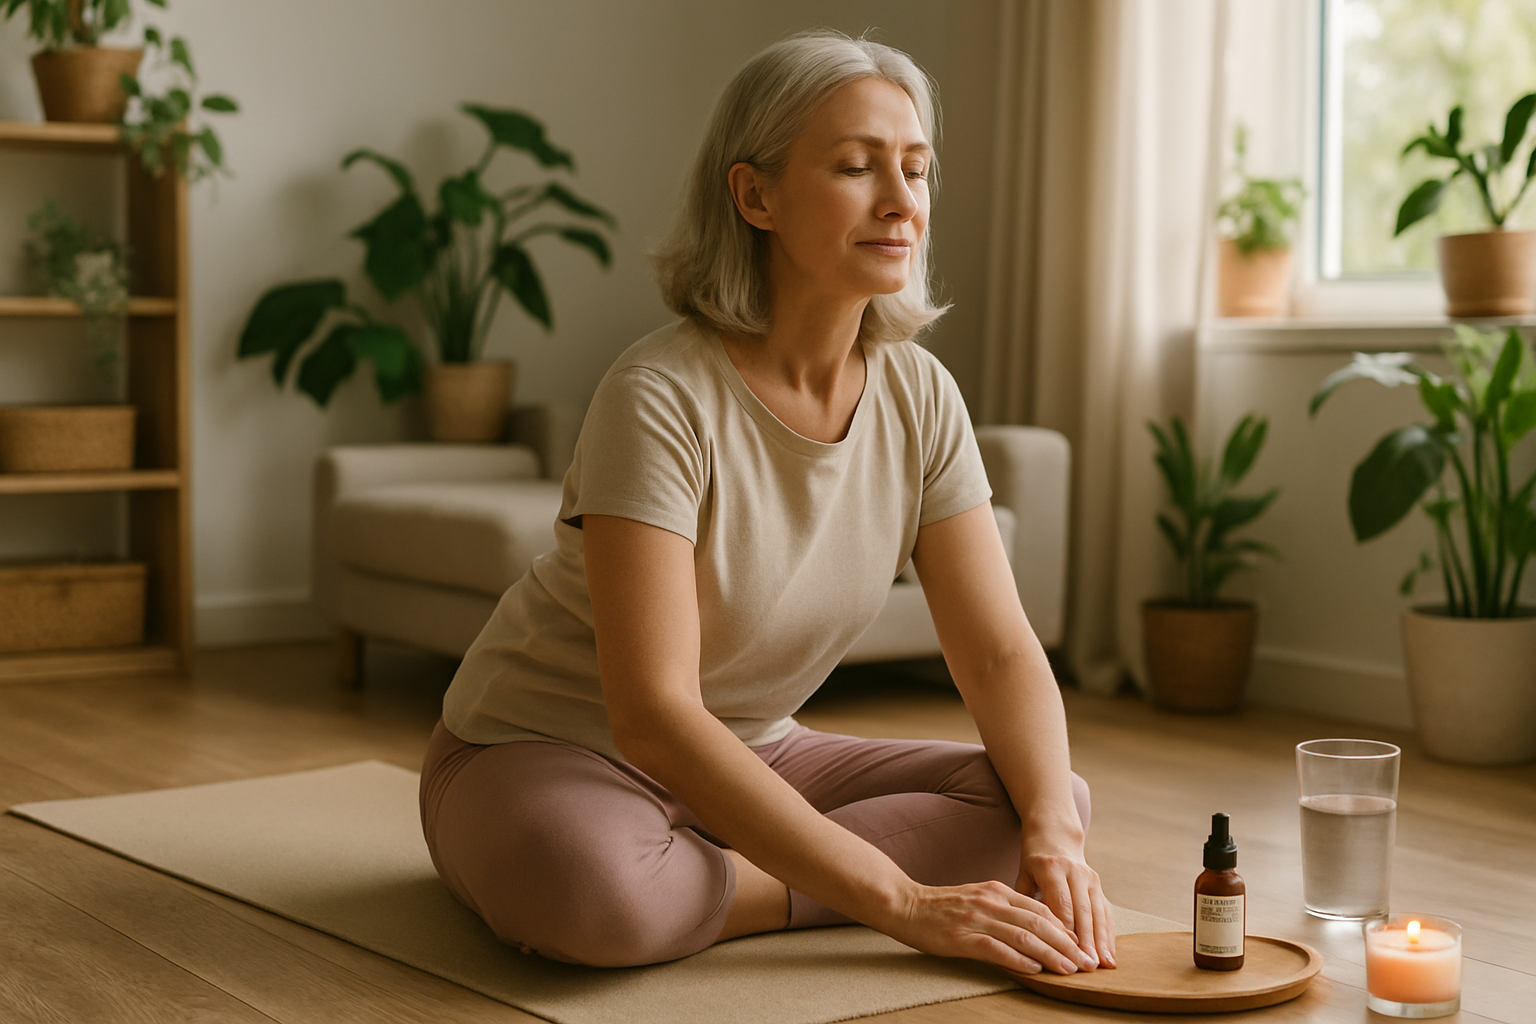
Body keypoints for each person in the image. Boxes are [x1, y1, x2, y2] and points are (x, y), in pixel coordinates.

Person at [418, 28, 1116, 976]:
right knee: (600, 893)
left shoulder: (921, 395)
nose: (901, 200)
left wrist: (1056, 845)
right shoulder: (659, 394)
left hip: (757, 753)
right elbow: (653, 718)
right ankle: (757, 878)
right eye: (857, 167)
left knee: (1048, 799)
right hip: (541, 748)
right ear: (755, 196)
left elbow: (997, 652)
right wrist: (901, 902)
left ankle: (716, 881)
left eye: (916, 169)